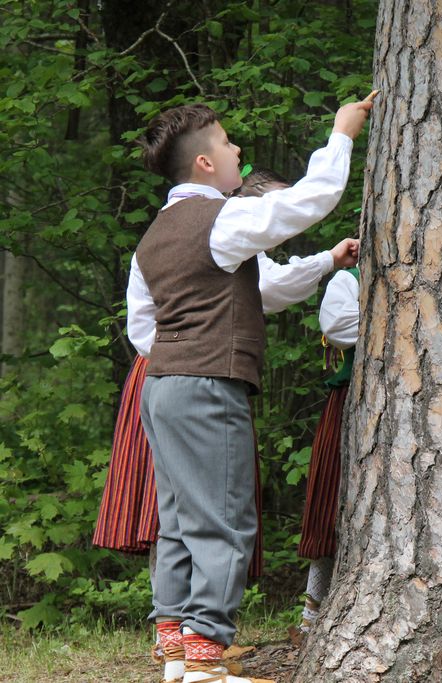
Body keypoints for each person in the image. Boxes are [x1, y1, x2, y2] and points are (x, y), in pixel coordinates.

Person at [128, 95, 372, 683]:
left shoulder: (156, 236)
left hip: (161, 387)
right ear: (205, 163)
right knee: (225, 518)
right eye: (227, 141)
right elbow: (311, 199)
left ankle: (176, 650)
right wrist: (342, 133)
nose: (237, 149)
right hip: (206, 385)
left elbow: (153, 324)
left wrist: (325, 261)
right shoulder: (221, 219)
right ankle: (206, 657)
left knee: (179, 518)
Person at [289, 265, 360, 645]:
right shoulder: (349, 279)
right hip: (351, 401)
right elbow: (338, 327)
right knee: (331, 502)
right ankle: (311, 616)